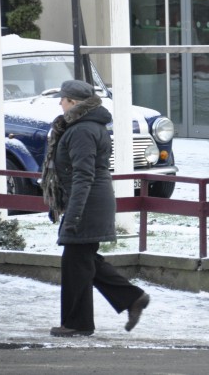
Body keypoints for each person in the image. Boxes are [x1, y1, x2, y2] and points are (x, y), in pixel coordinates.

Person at [44, 79, 150, 337]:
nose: (60, 102)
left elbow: (83, 175)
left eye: (64, 99)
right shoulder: (82, 127)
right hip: (87, 200)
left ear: (75, 103)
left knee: (76, 263)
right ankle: (131, 298)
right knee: (84, 261)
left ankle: (78, 323)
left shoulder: (82, 130)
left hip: (88, 203)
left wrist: (74, 212)